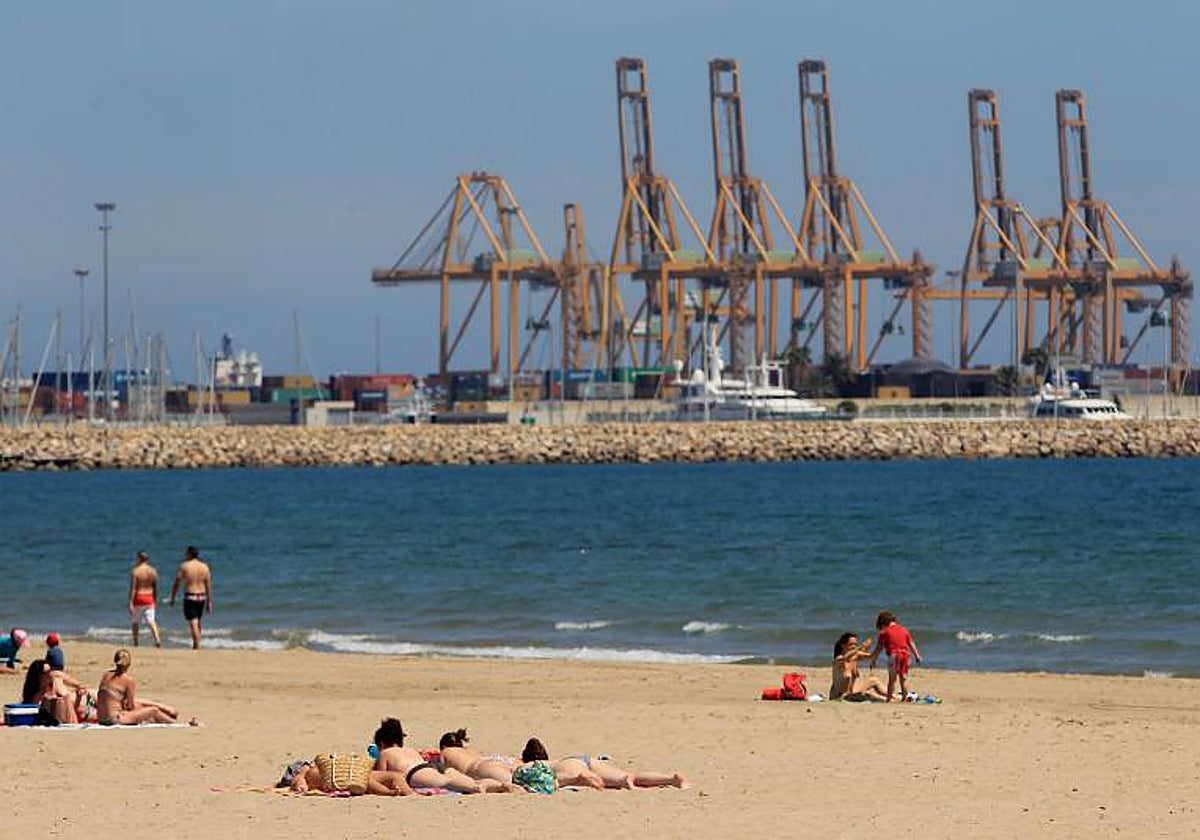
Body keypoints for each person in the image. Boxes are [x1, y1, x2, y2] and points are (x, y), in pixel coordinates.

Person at [373, 718, 505, 793]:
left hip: (416, 773)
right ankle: (500, 786)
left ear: (382, 743)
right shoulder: (410, 750)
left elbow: (383, 777)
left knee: (448, 783)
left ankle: (477, 787)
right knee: (464, 780)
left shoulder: (385, 753)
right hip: (432, 766)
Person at [520, 737, 689, 791]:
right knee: (629, 776)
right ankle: (672, 779)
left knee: (572, 776)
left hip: (568, 768)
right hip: (579, 758)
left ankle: (582, 777)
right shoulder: (555, 759)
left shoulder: (531, 765)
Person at [96, 649, 178, 725]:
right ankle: (174, 723)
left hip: (101, 719)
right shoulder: (128, 680)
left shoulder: (106, 675)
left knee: (141, 706)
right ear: (129, 664)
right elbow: (131, 707)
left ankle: (168, 712)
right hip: (115, 719)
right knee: (153, 711)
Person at [276, 758, 414, 796]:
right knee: (366, 780)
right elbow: (300, 786)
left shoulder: (307, 771)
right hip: (347, 776)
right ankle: (401, 792)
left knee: (394, 777)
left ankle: (410, 793)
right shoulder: (302, 775)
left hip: (345, 772)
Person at [438, 728, 522, 787]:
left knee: (507, 785)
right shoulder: (470, 750)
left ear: (444, 746)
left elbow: (439, 771)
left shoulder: (446, 751)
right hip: (495, 760)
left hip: (480, 769)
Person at [870, 610, 923, 702]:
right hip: (906, 655)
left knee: (892, 679)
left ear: (882, 622)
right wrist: (917, 655)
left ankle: (889, 698)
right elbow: (911, 643)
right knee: (904, 678)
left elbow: (879, 647)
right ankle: (904, 698)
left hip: (894, 655)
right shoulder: (904, 629)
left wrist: (874, 659)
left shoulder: (884, 632)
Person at [169, 546, 212, 650]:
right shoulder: (205, 566)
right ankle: (196, 644)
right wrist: (209, 601)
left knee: (193, 622)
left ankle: (197, 645)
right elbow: (208, 585)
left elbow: (177, 583)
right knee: (198, 621)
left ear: (189, 554)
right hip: (201, 596)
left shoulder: (184, 566)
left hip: (190, 596)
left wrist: (173, 597)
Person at [830, 632, 887, 701]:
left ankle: (892, 696)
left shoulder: (855, 657)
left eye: (855, 644)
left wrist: (879, 646)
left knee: (873, 680)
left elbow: (871, 656)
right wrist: (859, 648)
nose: (854, 646)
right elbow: (846, 657)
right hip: (838, 695)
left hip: (851, 692)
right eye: (851, 644)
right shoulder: (838, 659)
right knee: (847, 675)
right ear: (843, 645)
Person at [21, 658, 78, 724]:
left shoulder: (56, 681)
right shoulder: (36, 694)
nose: (50, 674)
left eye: (50, 670)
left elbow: (80, 686)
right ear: (38, 676)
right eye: (46, 672)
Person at [129, 551, 163, 648]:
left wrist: (131, 602)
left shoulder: (135, 571)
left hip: (139, 597)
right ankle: (157, 639)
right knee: (151, 621)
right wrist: (155, 600)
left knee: (135, 621)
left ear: (139, 558)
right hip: (149, 597)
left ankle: (136, 642)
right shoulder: (153, 571)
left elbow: (133, 588)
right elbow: (155, 587)